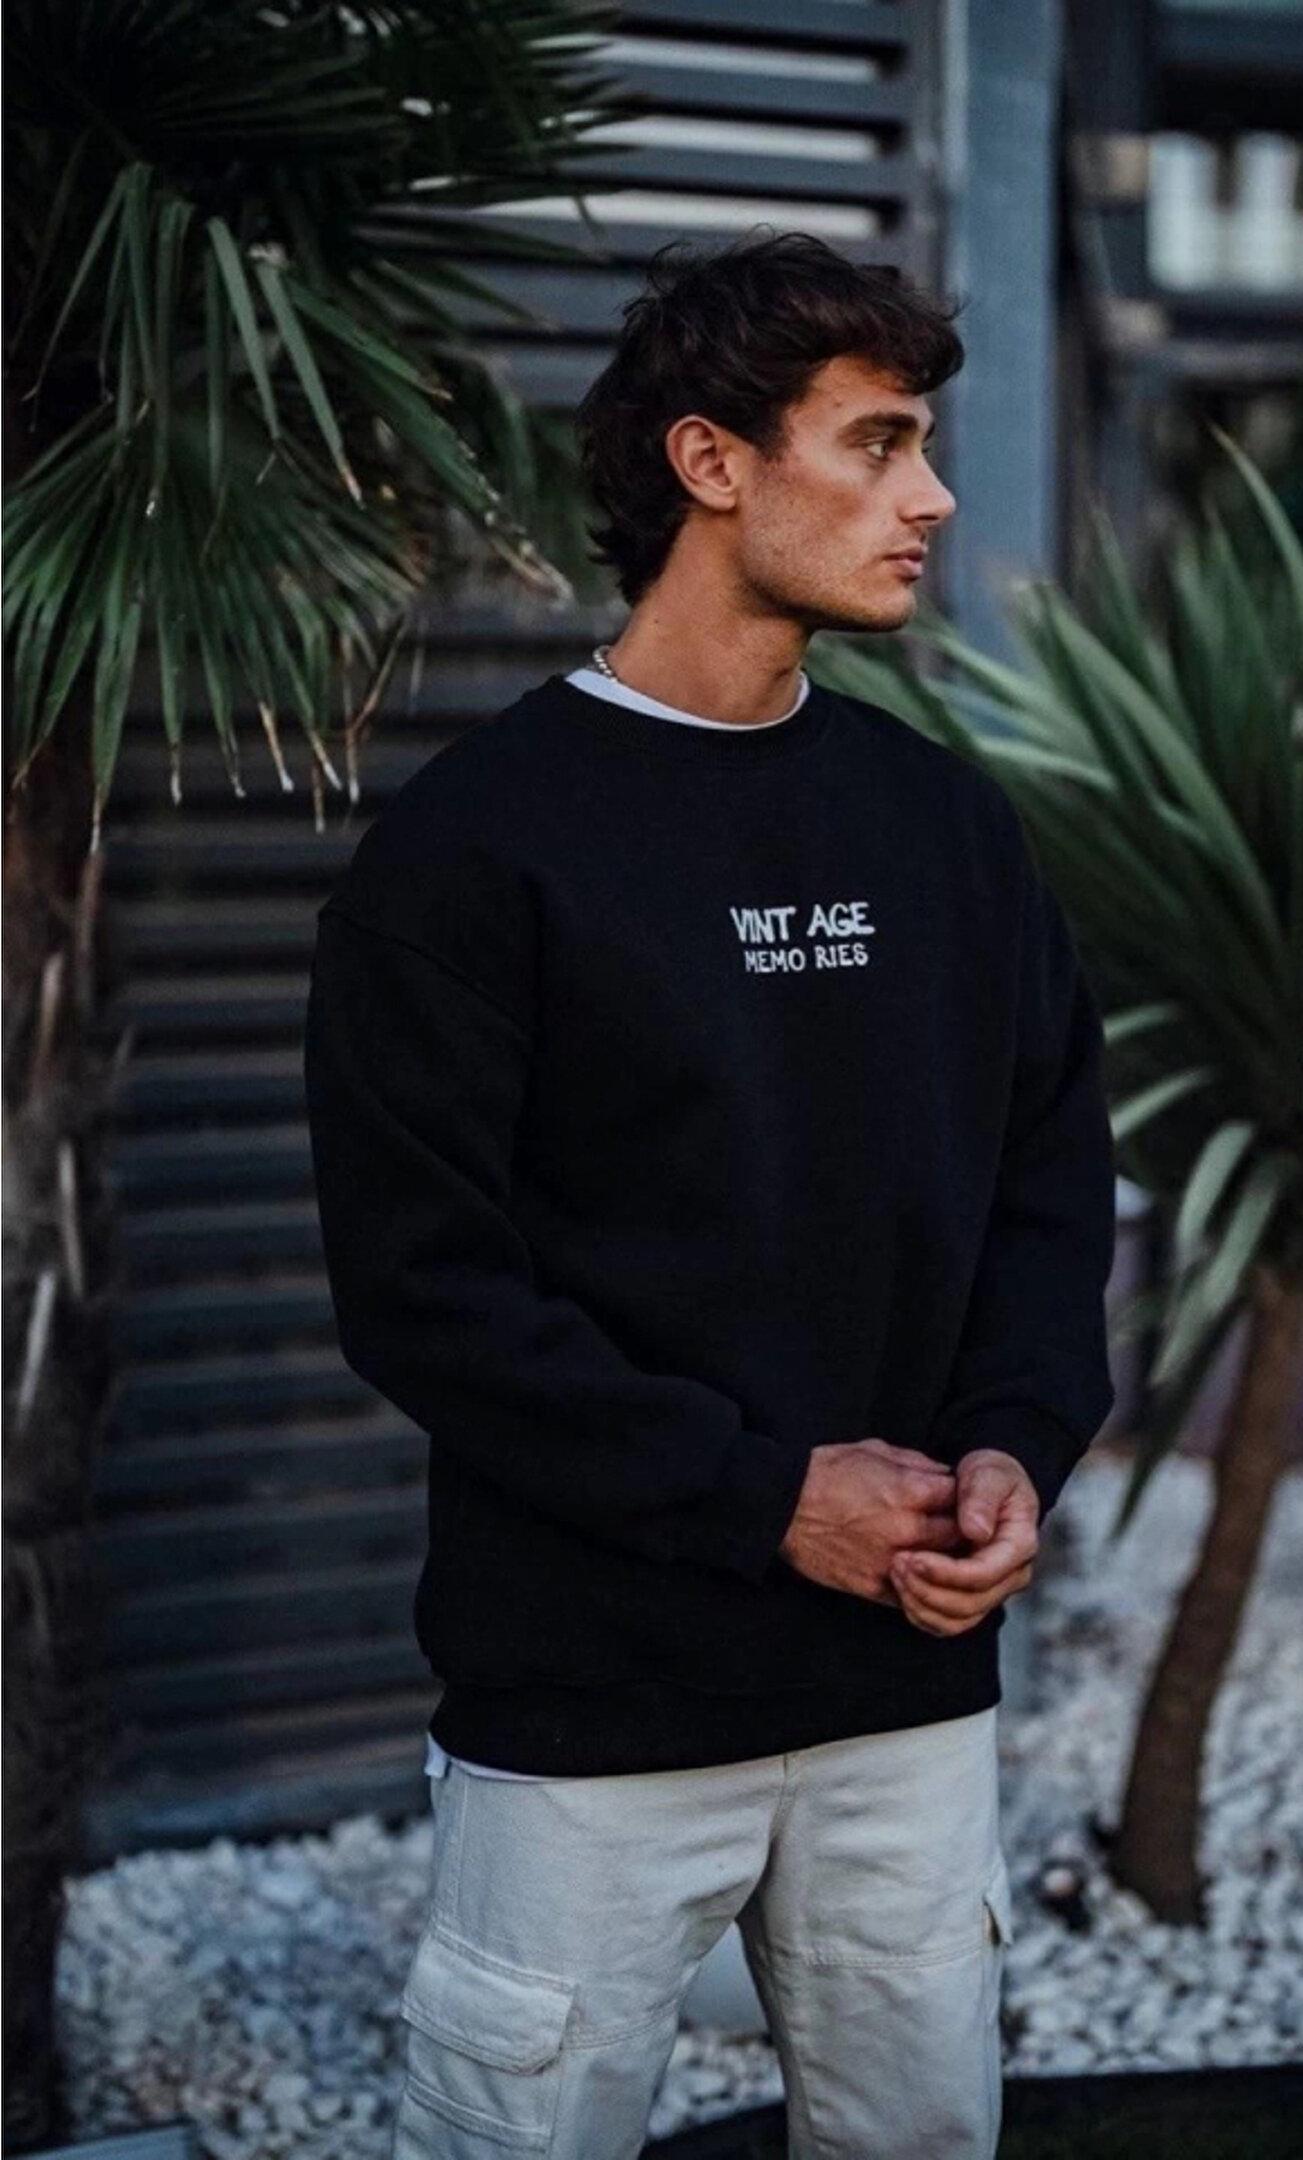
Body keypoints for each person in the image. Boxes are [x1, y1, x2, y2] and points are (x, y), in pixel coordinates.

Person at [303, 230, 1117, 2160]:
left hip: (906, 1691)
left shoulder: (944, 827)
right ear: (712, 462)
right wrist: (766, 1501)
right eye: (879, 441)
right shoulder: (477, 848)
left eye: (926, 444)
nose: (932, 498)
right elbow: (427, 1294)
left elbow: (1047, 1188)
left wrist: (1011, 1452)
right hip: (595, 1712)